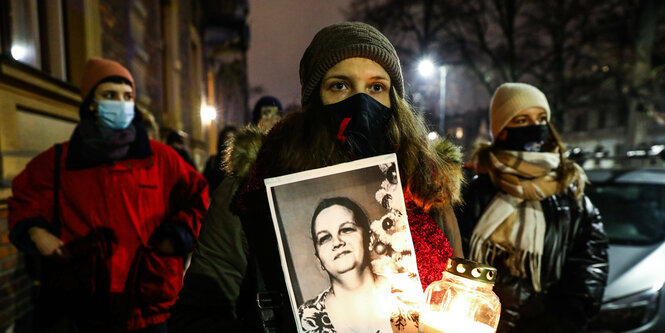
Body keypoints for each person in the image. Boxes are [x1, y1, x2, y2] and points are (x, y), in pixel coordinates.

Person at [170, 22, 464, 332]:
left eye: (376, 87)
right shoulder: (253, 189)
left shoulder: (425, 187)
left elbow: (456, 300)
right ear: (313, 100)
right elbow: (197, 315)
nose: (361, 103)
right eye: (340, 85)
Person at [8, 57, 209, 333]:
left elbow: (200, 198)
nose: (121, 103)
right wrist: (35, 231)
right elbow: (23, 198)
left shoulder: (159, 158)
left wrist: (178, 237)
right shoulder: (61, 160)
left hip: (147, 309)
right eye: (110, 95)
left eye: (127, 96)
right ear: (91, 102)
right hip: (85, 309)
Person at [455, 82, 609, 332]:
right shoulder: (474, 194)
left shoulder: (571, 197)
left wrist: (568, 318)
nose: (535, 128)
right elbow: (456, 257)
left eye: (541, 119)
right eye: (522, 120)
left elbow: (590, 261)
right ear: (502, 130)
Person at [299, 197, 418, 333]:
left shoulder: (411, 290)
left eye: (346, 229)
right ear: (319, 259)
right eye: (325, 238)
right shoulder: (305, 318)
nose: (337, 242)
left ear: (370, 239)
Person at [202, 125, 237, 195]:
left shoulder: (239, 161)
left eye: (232, 139)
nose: (229, 142)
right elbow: (205, 182)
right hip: (216, 201)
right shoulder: (213, 161)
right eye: (227, 139)